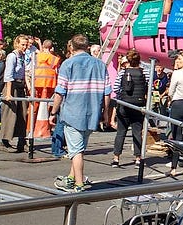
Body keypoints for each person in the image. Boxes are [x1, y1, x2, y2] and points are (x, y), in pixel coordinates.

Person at [49, 34, 110, 192]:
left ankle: (78, 184)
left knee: (75, 151)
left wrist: (53, 111)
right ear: (87, 47)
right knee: (79, 148)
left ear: (71, 47)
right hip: (93, 113)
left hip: (73, 112)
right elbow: (107, 92)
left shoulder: (67, 64)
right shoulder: (100, 65)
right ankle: (70, 178)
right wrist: (106, 114)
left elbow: (60, 91)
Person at [111, 48, 147, 167]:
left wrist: (123, 93)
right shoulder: (144, 72)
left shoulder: (123, 72)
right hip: (138, 105)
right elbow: (150, 88)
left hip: (124, 105)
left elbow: (115, 88)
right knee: (137, 132)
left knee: (121, 132)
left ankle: (116, 158)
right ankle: (138, 158)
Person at [0, 34, 30, 153]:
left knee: (22, 114)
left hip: (20, 86)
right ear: (16, 44)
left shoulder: (23, 56)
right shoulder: (12, 56)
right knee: (10, 114)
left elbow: (25, 74)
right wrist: (8, 94)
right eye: (22, 44)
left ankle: (21, 141)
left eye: (26, 44)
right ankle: (4, 141)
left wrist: (28, 88)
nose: (25, 47)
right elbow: (8, 76)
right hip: (11, 87)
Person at [32, 40, 61, 138]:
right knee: (47, 106)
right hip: (49, 85)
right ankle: (45, 128)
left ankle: (31, 128)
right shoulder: (54, 59)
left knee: (34, 106)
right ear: (51, 47)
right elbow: (56, 71)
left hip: (36, 84)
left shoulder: (36, 57)